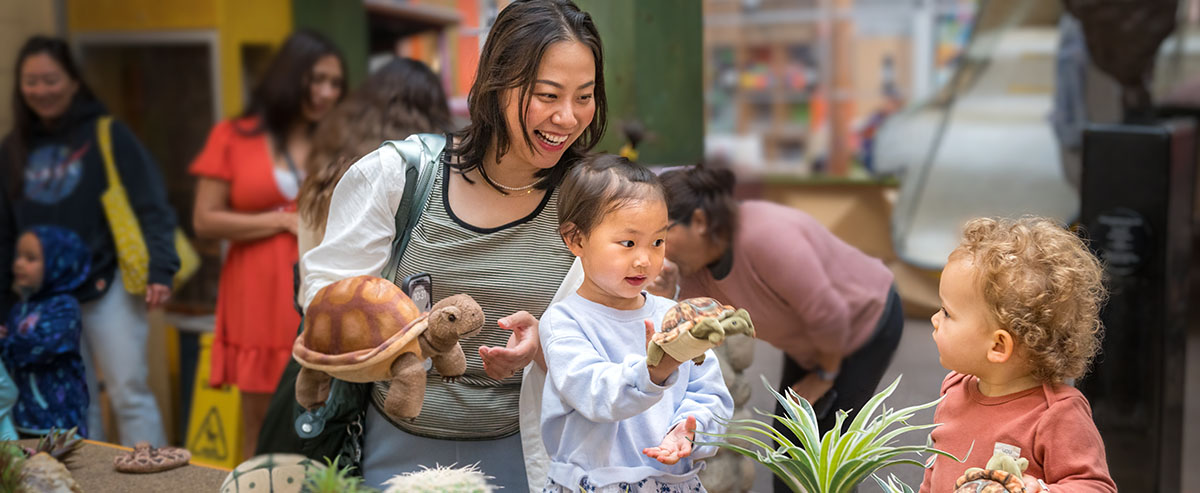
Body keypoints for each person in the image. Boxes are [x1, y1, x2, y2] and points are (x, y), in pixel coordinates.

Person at [299, 0, 606, 488]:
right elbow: (324, 297)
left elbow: (619, 336)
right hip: (395, 445)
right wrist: (406, 336)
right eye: (548, 95)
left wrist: (547, 347)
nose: (567, 118)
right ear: (495, 82)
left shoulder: (591, 202)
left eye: (584, 96)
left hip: (532, 453)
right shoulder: (399, 176)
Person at [651, 164, 903, 492]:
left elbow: (831, 316)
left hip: (863, 323)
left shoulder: (767, 237)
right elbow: (689, 328)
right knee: (788, 446)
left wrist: (823, 377)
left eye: (662, 233)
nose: (656, 247)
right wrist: (662, 295)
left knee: (826, 453)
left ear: (698, 222)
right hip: (811, 338)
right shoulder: (695, 263)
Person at [254, 56, 452, 456]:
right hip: (383, 353)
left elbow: (310, 281)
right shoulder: (413, 181)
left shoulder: (325, 171)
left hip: (321, 337)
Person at [0, 35, 177, 446]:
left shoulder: (107, 134)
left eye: (50, 79)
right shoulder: (12, 150)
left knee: (128, 392)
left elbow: (150, 202)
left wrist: (160, 267)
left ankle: (153, 481)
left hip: (105, 284)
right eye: (31, 81)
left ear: (74, 81)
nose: (41, 90)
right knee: (73, 401)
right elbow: (4, 233)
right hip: (40, 300)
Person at [190, 29, 345, 460]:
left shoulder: (337, 140)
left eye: (335, 83)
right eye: (317, 79)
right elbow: (205, 218)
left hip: (317, 287)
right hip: (256, 288)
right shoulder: (233, 136)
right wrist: (279, 221)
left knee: (317, 415)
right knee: (259, 421)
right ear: (289, 77)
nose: (327, 92)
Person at [540, 155, 732, 492]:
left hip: (674, 481)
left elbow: (710, 393)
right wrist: (653, 372)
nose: (645, 259)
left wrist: (689, 429)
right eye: (628, 243)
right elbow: (595, 392)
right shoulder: (564, 321)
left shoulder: (674, 315)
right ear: (576, 240)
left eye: (658, 242)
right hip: (596, 484)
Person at [919, 217, 1116, 492]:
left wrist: (1038, 490)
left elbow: (1096, 487)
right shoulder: (953, 388)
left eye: (948, 313)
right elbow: (936, 471)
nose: (935, 319)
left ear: (998, 346)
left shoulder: (1058, 414)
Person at [0, 225, 90, 436]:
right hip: (24, 417)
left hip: (59, 419)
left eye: (30, 258)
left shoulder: (65, 307)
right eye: (19, 256)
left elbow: (42, 346)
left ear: (58, 265)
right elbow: (12, 354)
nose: (19, 264)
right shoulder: (20, 308)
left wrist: (4, 343)